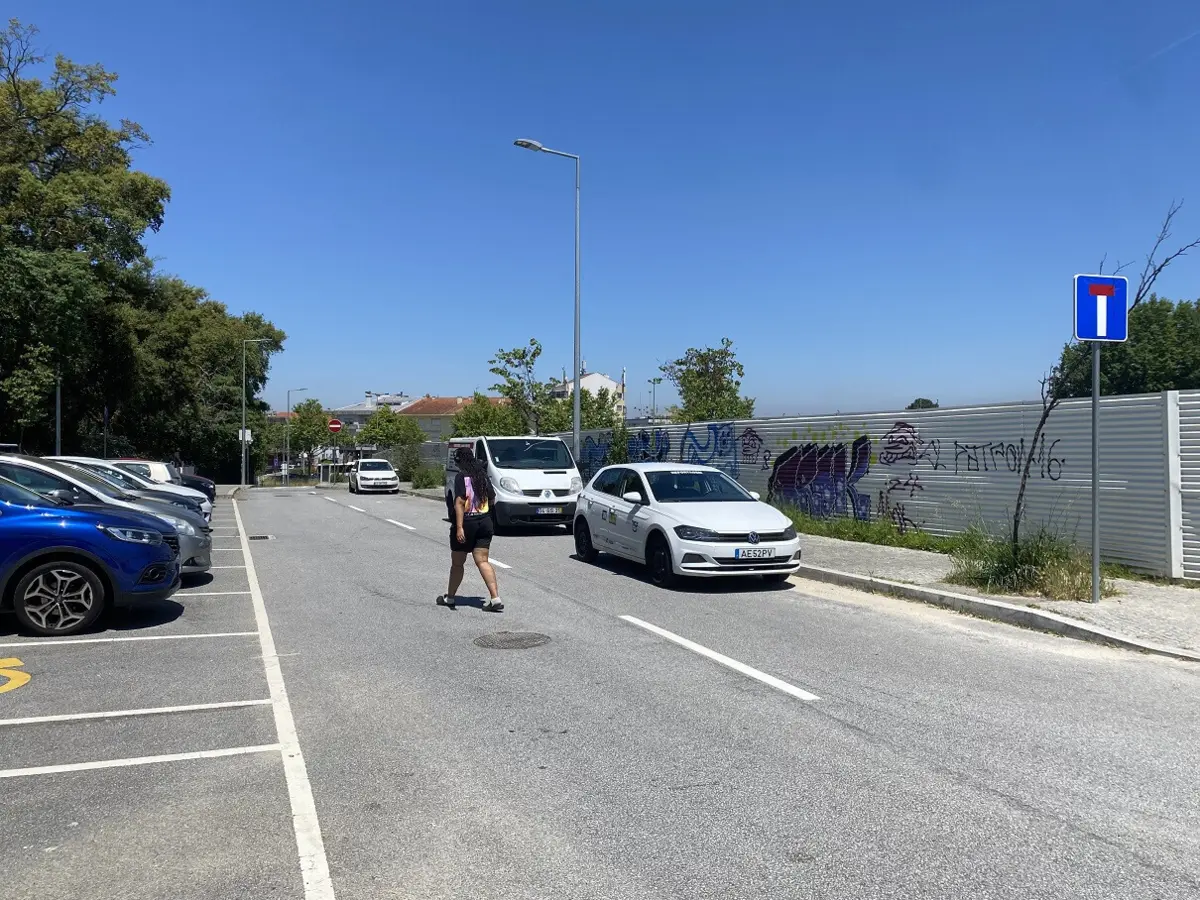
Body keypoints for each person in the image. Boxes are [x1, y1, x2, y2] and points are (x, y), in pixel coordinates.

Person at [437, 448, 503, 611]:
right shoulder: (482, 476)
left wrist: (459, 528)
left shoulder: (461, 477)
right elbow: (493, 499)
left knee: (458, 564)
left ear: (460, 461)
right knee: (482, 561)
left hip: (467, 523)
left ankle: (451, 598)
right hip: (485, 522)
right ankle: (495, 598)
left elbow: (459, 503)